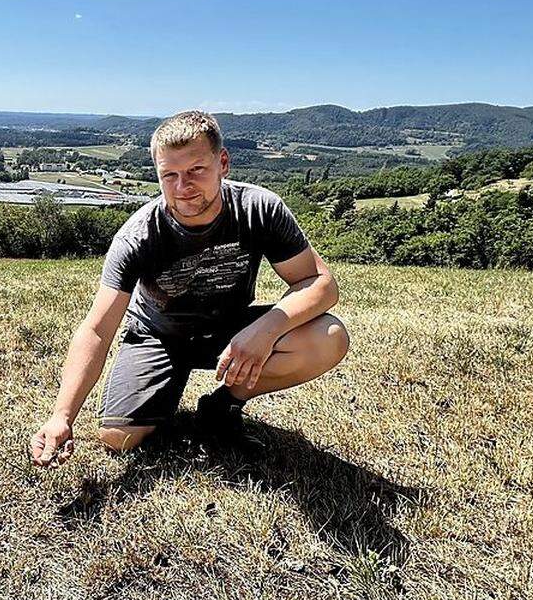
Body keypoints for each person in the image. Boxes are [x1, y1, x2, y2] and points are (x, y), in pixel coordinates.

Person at [30, 110, 350, 467]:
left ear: (222, 162)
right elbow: (96, 329)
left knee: (330, 335)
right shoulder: (138, 236)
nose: (184, 187)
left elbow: (321, 284)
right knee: (118, 438)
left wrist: (265, 329)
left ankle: (222, 405)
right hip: (158, 336)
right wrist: (63, 415)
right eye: (170, 175)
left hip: (231, 331)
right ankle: (162, 388)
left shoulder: (259, 209)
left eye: (196, 170)